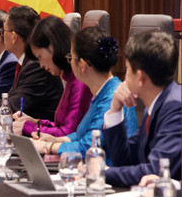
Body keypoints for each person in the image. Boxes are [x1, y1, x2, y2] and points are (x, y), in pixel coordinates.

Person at [33, 27, 137, 156]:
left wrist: (47, 146)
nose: (69, 62)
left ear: (82, 65)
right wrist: (58, 140)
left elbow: (88, 147)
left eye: (71, 57)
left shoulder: (111, 97)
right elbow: (82, 134)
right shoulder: (103, 91)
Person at [102, 30, 180, 187]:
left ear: (140, 77)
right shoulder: (156, 103)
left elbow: (155, 171)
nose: (124, 78)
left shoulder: (176, 108)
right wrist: (115, 109)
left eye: (127, 69)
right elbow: (125, 161)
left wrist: (101, 172)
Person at [0, 5, 63, 119]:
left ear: (14, 36)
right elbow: (6, 102)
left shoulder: (36, 66)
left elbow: (10, 108)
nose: (2, 35)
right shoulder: (25, 63)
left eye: (3, 31)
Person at [12, 16, 91, 137]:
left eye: (40, 57)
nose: (41, 65)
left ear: (52, 47)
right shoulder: (69, 76)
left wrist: (27, 127)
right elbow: (61, 125)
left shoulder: (79, 78)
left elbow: (67, 133)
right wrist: (35, 122)